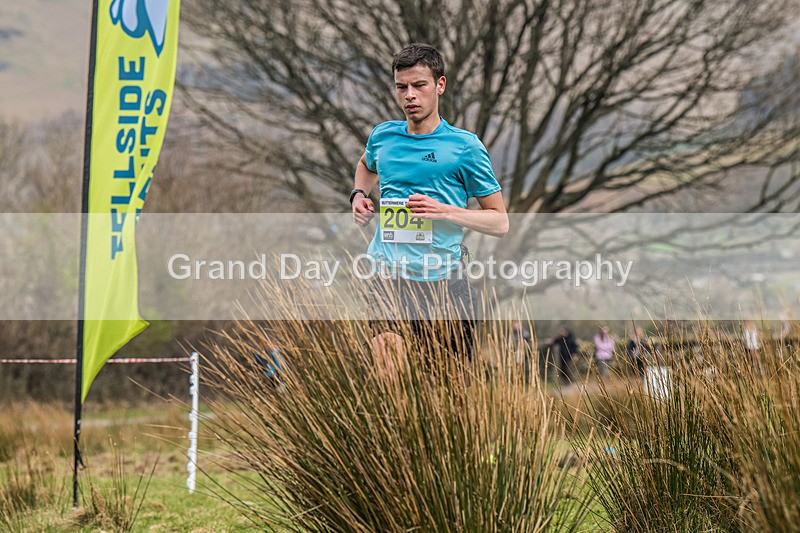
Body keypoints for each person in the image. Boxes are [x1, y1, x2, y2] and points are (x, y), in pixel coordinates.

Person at [351, 43, 508, 374]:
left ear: (440, 85)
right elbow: (366, 165)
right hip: (389, 278)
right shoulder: (383, 136)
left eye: (419, 85)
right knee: (388, 376)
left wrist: (444, 211)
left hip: (444, 285)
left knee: (447, 392)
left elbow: (499, 222)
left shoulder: (464, 147)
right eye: (401, 87)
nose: (410, 95)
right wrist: (358, 195)